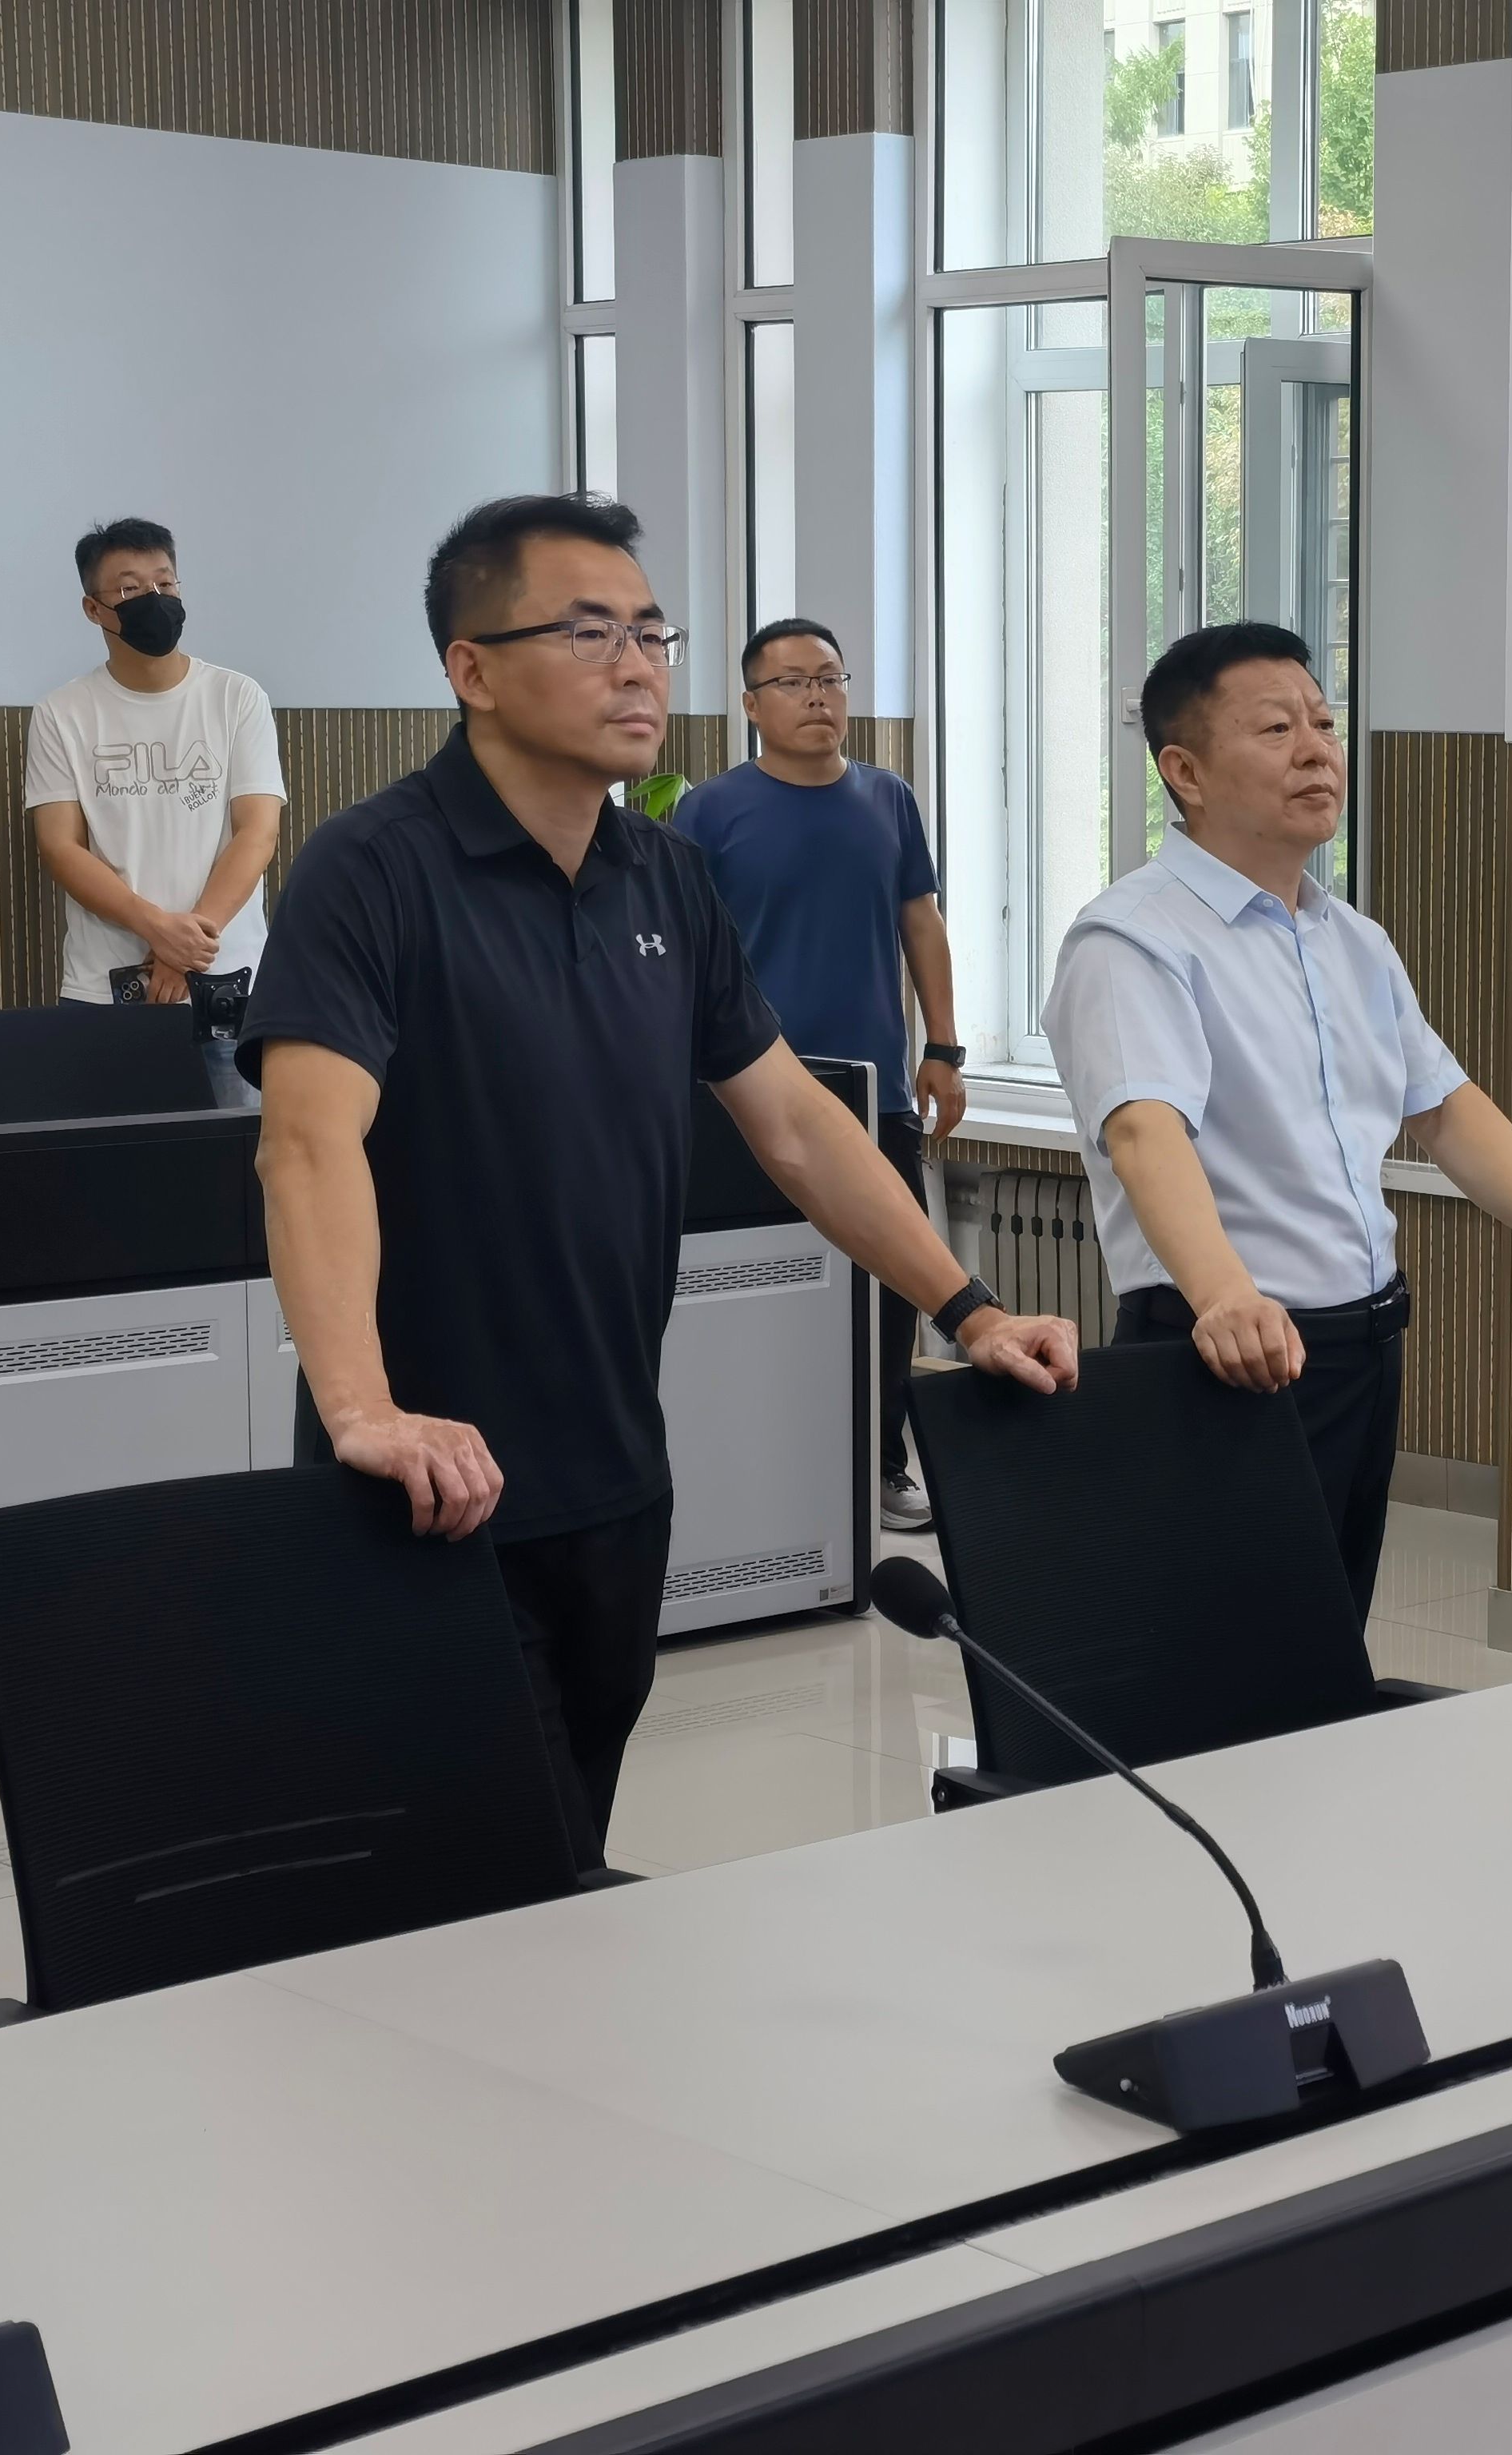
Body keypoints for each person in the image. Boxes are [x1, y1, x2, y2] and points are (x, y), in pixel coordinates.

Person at [241, 495, 1080, 1865]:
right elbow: (306, 1144)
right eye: (588, 635)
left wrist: (968, 1310)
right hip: (426, 1484)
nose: (637, 668)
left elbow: (797, 1123)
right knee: (466, 1885)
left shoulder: (665, 878)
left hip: (617, 1475)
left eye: (649, 633)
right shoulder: (373, 869)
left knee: (569, 1854)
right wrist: (362, 1410)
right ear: (471, 669)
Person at [1044, 622, 1512, 1621]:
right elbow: (1145, 1133)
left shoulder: (1349, 938)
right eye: (1276, 729)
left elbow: (1442, 1105)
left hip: (1361, 1345)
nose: (1317, 751)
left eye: (1323, 724)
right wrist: (1225, 1296)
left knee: (1325, 1636)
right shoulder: (1133, 940)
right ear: (1184, 772)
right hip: (1224, 1346)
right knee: (1218, 1653)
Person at [676, 617, 965, 1533]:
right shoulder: (709, 811)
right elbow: (683, 953)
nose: (817, 697)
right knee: (760, 1284)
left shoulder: (888, 799)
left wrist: (944, 1047)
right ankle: (762, 1472)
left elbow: (921, 924)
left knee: (891, 1287)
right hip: (748, 1096)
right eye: (793, 682)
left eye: (830, 679)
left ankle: (881, 1465)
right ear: (752, 704)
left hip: (877, 1091)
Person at [24, 516, 284, 1108]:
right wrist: (156, 930)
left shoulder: (236, 697)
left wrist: (185, 949)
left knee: (240, 1162)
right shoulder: (62, 712)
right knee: (112, 1160)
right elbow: (60, 847)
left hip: (229, 988)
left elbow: (257, 832)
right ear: (94, 609)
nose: (154, 599)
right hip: (106, 991)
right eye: (130, 588)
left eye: (165, 584)